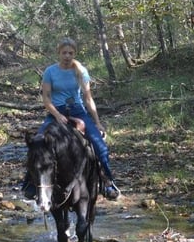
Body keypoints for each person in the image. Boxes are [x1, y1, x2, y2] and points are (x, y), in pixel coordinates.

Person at [22, 37, 121, 200]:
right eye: (64, 53)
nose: (67, 56)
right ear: (58, 53)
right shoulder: (50, 72)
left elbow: (88, 98)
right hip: (56, 111)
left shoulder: (81, 71)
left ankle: (108, 182)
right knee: (37, 144)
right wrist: (57, 115)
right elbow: (46, 98)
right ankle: (30, 184)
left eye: (70, 53)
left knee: (100, 147)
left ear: (74, 53)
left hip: (78, 111)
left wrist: (97, 122)